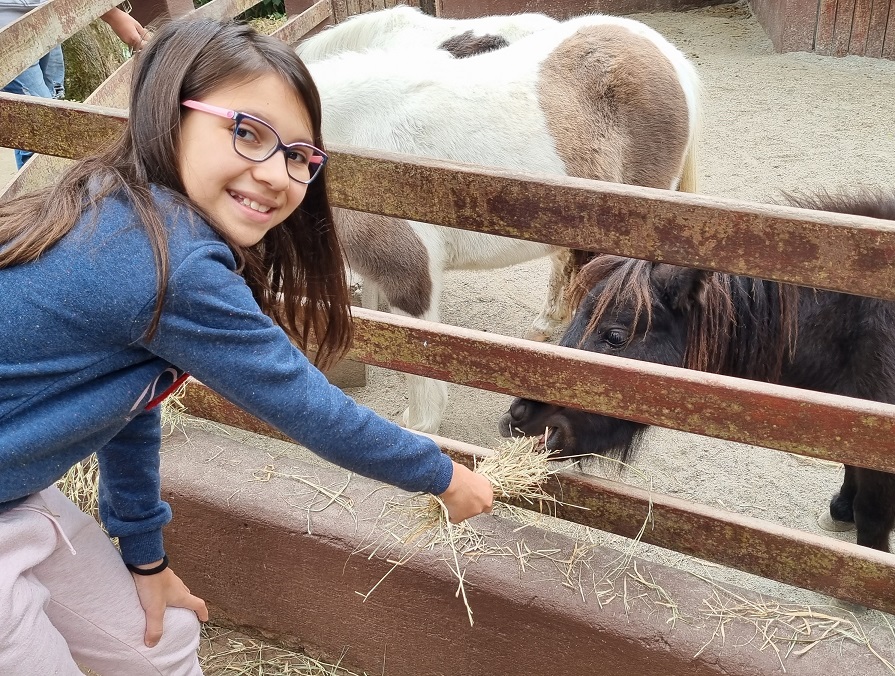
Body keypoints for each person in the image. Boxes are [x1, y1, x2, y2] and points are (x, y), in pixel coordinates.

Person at [0, 16, 494, 675]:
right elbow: (303, 402)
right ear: (169, 115)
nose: (276, 173)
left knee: (161, 640)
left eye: (297, 155)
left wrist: (145, 555)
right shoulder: (165, 260)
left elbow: (130, 404)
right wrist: (439, 475)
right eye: (247, 133)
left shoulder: (133, 216)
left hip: (17, 496)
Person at [1, 2, 149, 168]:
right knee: (42, 126)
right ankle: (42, 188)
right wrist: (112, 14)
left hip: (45, 15)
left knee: (46, 105)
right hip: (7, 24)